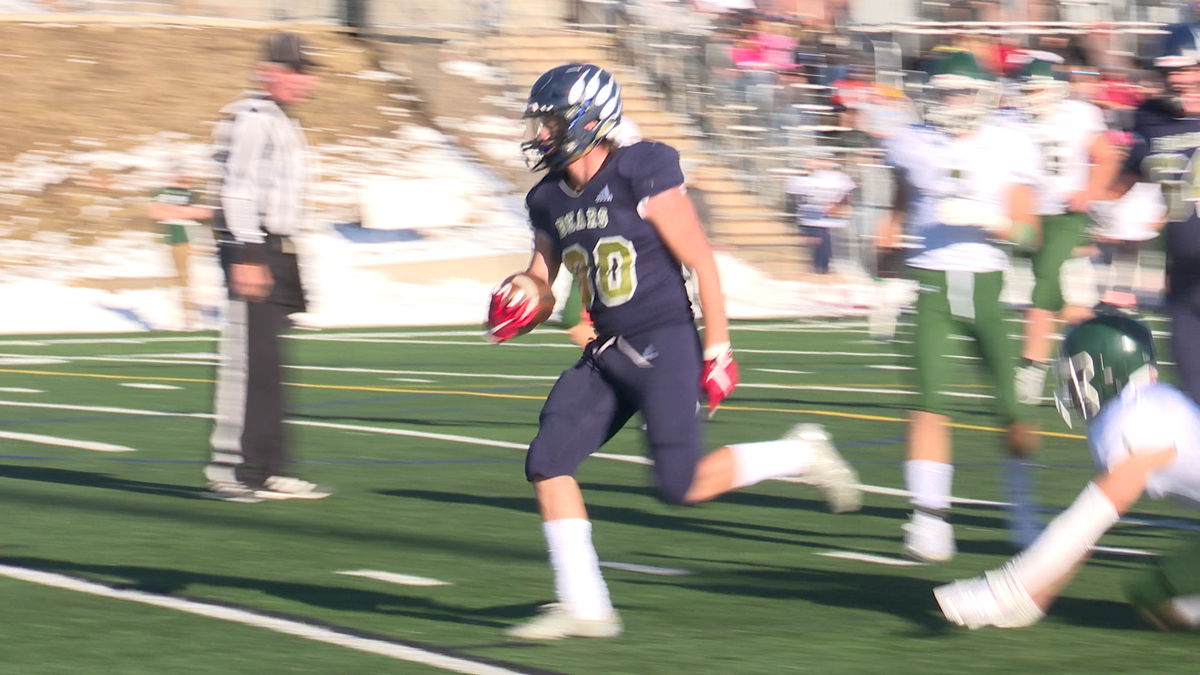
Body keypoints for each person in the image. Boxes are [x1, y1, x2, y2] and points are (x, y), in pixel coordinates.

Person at [489, 63, 861, 640]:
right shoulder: (546, 199)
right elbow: (543, 281)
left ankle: (799, 456)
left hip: (663, 338)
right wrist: (521, 297)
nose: (541, 135)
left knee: (680, 485)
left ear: (590, 119)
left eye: (552, 122)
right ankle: (585, 605)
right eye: (539, 123)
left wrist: (718, 348)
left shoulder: (641, 168)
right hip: (607, 348)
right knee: (547, 460)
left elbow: (701, 261)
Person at [935, 312, 1200, 631]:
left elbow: (1092, 516)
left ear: (1106, 369)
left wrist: (1007, 589)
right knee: (1153, 594)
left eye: (1077, 372)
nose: (1070, 385)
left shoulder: (1137, 412)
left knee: (1160, 595)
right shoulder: (1138, 405)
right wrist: (1033, 599)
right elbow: (1085, 530)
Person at [881, 50, 1042, 561]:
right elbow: (898, 212)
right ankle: (929, 518)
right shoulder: (912, 143)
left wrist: (992, 221)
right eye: (945, 91)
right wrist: (882, 277)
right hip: (930, 281)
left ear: (983, 94)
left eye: (963, 91)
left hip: (987, 282)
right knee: (928, 401)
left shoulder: (1008, 143)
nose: (954, 101)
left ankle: (1022, 505)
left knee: (1012, 406)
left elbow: (1030, 234)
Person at [204, 32, 330, 502]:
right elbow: (236, 187)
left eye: (305, 72)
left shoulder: (281, 120)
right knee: (247, 362)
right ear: (269, 71)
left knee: (270, 365)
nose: (303, 82)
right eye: (295, 71)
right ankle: (230, 469)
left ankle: (270, 467)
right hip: (250, 246)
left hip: (277, 247)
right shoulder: (252, 116)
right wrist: (249, 253)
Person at [1012, 57, 1119, 406]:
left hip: (1067, 214)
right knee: (1066, 303)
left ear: (1057, 90)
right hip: (1031, 215)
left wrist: (1089, 192)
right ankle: (1101, 350)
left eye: (1038, 89)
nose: (1032, 96)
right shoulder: (1009, 120)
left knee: (1044, 284)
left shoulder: (1078, 114)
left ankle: (1031, 366)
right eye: (1027, 89)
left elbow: (1108, 158)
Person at [1108, 23, 1200, 407]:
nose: (1179, 80)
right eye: (1171, 72)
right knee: (1195, 396)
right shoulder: (1150, 117)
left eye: (1188, 69)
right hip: (1183, 282)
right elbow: (1124, 178)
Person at [148, 168, 212, 330]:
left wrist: (175, 212)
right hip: (174, 241)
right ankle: (186, 315)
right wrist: (182, 212)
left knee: (189, 278)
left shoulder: (191, 193)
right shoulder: (166, 192)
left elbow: (204, 212)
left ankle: (192, 314)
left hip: (188, 241)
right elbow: (154, 212)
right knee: (182, 278)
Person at [784, 151, 854, 276]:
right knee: (818, 241)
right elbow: (795, 199)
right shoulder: (804, 177)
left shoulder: (839, 177)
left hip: (830, 215)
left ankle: (822, 267)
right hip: (812, 215)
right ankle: (819, 267)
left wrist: (836, 205)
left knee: (826, 242)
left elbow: (846, 196)